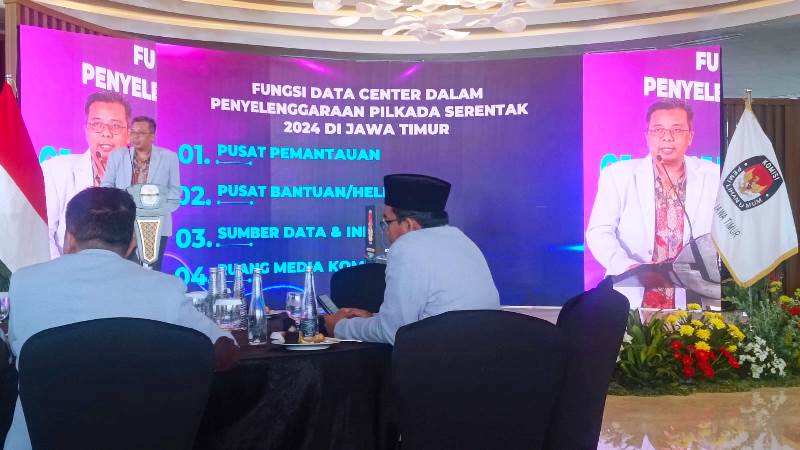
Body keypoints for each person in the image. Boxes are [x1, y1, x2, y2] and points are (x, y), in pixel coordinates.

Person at [3, 187, 238, 450]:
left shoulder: (24, 283)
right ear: (133, 244)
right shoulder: (166, 289)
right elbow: (225, 351)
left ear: (69, 238)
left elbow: (15, 350)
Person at [324, 173, 500, 345]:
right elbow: (432, 312)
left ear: (409, 225)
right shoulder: (463, 240)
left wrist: (340, 327)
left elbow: (394, 333)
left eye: (387, 222)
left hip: (439, 358)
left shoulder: (407, 245)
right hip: (482, 355)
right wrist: (375, 318)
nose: (386, 232)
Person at [585, 99, 719, 308]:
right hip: (631, 294)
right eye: (658, 130)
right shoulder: (618, 175)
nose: (667, 137)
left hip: (693, 297)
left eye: (677, 130)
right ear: (647, 136)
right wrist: (627, 266)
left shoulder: (713, 175)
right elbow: (599, 232)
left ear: (690, 136)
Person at [43, 91, 131, 259]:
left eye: (115, 126)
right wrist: (63, 272)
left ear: (128, 135)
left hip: (122, 274)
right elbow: (42, 234)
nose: (106, 133)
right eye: (97, 124)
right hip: (66, 273)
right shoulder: (56, 171)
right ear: (86, 130)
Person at [102, 116, 181, 271]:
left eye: (141, 133)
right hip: (124, 225)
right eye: (133, 132)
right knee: (124, 271)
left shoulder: (169, 158)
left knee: (151, 271)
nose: (135, 137)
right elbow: (106, 187)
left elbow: (175, 193)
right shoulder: (118, 156)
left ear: (152, 136)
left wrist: (154, 205)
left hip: (156, 225)